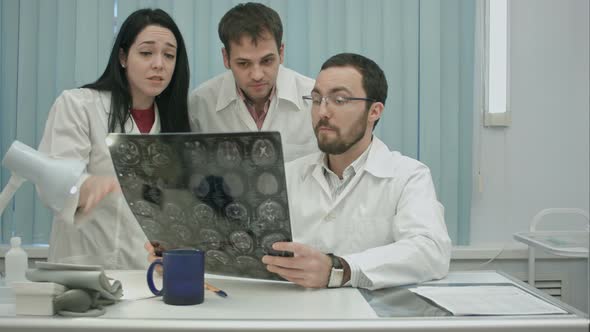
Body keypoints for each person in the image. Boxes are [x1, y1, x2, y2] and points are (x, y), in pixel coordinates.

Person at [261, 53, 452, 290]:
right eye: (316, 98)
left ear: (374, 111)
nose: (322, 112)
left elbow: (430, 251)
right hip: (296, 315)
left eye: (339, 100)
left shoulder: (408, 176)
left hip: (369, 319)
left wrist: (339, 269)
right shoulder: (286, 175)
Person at [37, 8, 191, 269]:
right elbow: (53, 178)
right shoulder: (79, 105)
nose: (159, 64)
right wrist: (86, 186)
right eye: (146, 53)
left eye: (169, 55)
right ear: (123, 56)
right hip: (85, 270)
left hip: (149, 275)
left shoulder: (176, 124)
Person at [188, 2, 317, 162]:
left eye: (267, 61)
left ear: (281, 53)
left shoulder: (315, 98)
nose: (257, 75)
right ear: (226, 58)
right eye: (243, 63)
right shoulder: (201, 103)